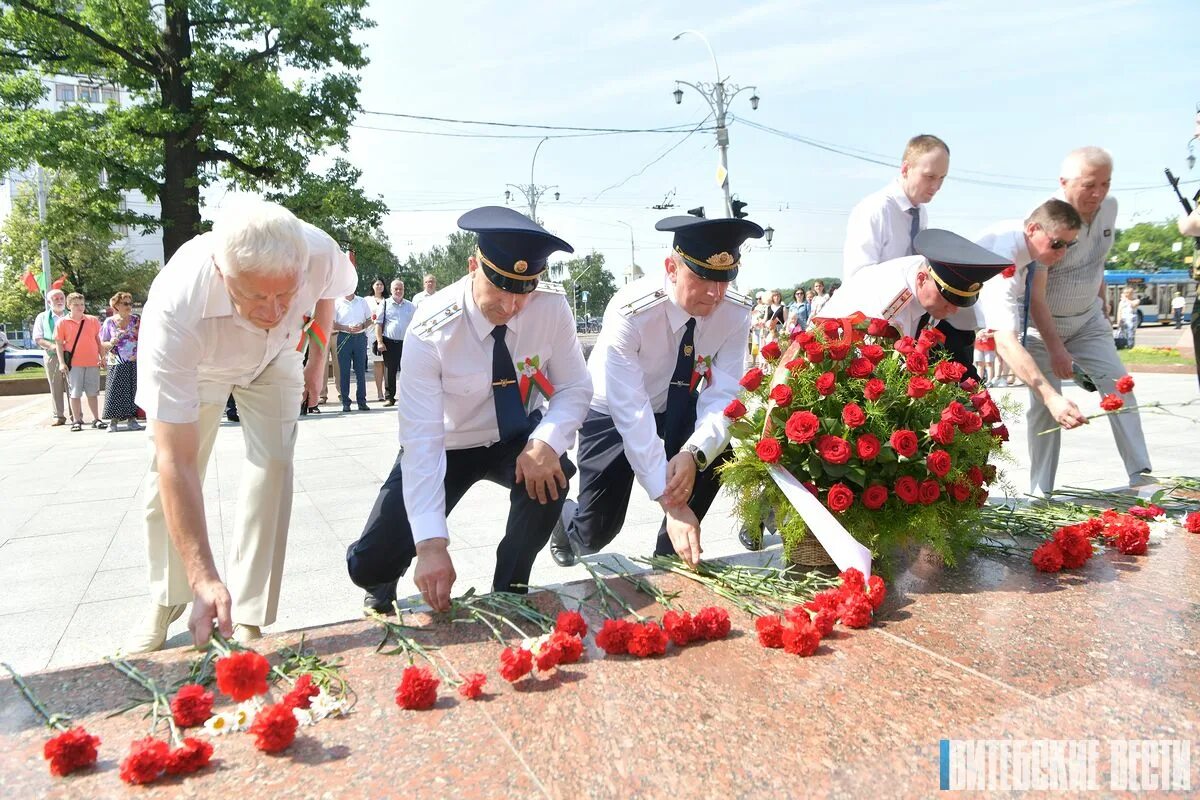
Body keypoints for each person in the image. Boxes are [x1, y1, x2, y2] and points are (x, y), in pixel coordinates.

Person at [125, 198, 355, 653]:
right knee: (163, 481)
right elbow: (178, 460)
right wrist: (202, 574)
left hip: (277, 358)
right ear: (221, 270)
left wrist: (317, 356)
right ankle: (170, 597)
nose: (272, 310)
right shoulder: (176, 306)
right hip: (202, 366)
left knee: (274, 464)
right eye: (254, 295)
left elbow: (327, 291)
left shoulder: (320, 252)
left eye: (285, 294)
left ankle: (248, 612)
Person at [346, 206, 591, 614]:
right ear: (474, 265)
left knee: (552, 478)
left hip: (515, 437)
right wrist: (430, 544)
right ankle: (384, 572)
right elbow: (421, 439)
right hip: (447, 442)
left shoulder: (550, 309)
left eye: (524, 289)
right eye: (500, 287)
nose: (512, 304)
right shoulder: (431, 327)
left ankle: (510, 588)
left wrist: (546, 441)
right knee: (368, 564)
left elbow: (575, 387)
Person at [549, 214, 762, 568]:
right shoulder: (631, 311)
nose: (716, 293)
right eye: (703, 278)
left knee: (714, 454)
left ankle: (670, 560)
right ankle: (566, 521)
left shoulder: (735, 312)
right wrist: (670, 502)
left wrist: (694, 452)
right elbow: (631, 413)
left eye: (725, 280)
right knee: (596, 531)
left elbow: (723, 394)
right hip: (612, 409)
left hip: (679, 402)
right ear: (672, 268)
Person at [1026, 147, 1153, 492]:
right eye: (1088, 185)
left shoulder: (1109, 207)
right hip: (1042, 327)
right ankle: (1041, 491)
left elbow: (1096, 259)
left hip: (1088, 321)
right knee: (1045, 406)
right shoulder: (1045, 221)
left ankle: (1141, 474)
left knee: (1120, 385)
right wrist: (1055, 350)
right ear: (1064, 182)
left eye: (1105, 184)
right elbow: (1035, 295)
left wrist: (1100, 305)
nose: (1098, 194)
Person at [972, 200, 1092, 482]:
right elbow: (1004, 341)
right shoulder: (1005, 254)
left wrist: (1056, 350)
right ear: (1033, 228)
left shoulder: (1026, 251)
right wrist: (1051, 398)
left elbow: (1034, 305)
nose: (1062, 253)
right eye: (1057, 243)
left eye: (1068, 245)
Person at [843, 134, 977, 372]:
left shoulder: (920, 213)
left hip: (910, 327)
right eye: (929, 177)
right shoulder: (875, 210)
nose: (936, 186)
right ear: (906, 168)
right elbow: (858, 277)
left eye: (942, 178)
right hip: (876, 328)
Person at [818, 229, 1010, 340]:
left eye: (959, 302)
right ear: (921, 279)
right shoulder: (890, 304)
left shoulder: (930, 281)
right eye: (948, 299)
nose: (953, 309)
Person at [54, 292, 106, 432]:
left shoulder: (92, 320)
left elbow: (98, 340)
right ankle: (76, 420)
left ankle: (97, 418)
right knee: (75, 392)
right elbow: (59, 343)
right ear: (69, 306)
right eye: (76, 304)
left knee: (92, 392)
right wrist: (61, 363)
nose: (80, 307)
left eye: (82, 304)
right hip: (74, 363)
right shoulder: (62, 322)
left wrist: (102, 357)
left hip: (92, 361)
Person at [99, 291, 142, 432]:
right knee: (115, 390)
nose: (129, 306)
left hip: (134, 359)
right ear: (116, 305)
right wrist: (111, 342)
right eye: (125, 303)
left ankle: (132, 420)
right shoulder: (109, 322)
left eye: (130, 303)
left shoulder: (136, 320)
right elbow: (102, 342)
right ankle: (113, 421)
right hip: (116, 359)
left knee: (133, 389)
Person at [376, 278, 416, 407]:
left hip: (407, 343)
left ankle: (408, 397)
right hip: (390, 342)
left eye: (401, 289)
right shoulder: (385, 303)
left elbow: (416, 324)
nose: (398, 291)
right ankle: (389, 397)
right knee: (390, 371)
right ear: (392, 290)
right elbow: (378, 324)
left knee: (407, 371)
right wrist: (380, 342)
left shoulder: (410, 305)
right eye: (396, 289)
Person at [33, 288, 70, 425]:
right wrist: (53, 346)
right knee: (55, 385)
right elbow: (38, 338)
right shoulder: (42, 317)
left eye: (61, 298)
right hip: (52, 355)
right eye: (56, 299)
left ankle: (76, 415)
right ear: (49, 302)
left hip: (71, 354)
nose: (60, 301)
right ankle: (58, 415)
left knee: (73, 385)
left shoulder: (71, 315)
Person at [333, 290, 372, 412]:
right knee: (344, 371)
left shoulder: (362, 301)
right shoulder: (337, 302)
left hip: (360, 338)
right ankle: (345, 401)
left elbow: (369, 319)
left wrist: (362, 326)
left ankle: (362, 401)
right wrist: (346, 327)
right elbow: (333, 324)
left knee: (360, 370)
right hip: (344, 337)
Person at [366, 277, 387, 401]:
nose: (379, 286)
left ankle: (388, 390)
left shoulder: (388, 300)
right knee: (378, 363)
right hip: (372, 335)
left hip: (387, 335)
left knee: (387, 364)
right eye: (377, 284)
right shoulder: (367, 300)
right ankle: (379, 392)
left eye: (381, 284)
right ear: (373, 286)